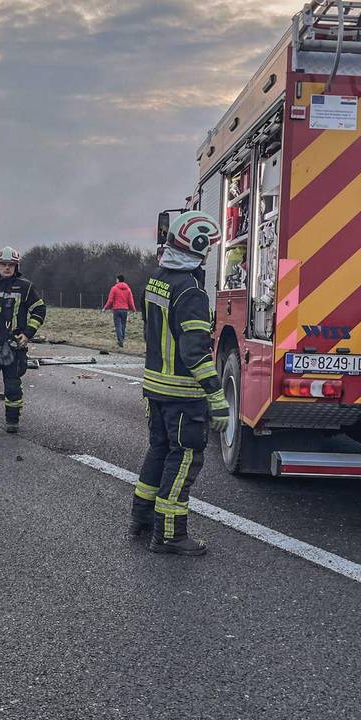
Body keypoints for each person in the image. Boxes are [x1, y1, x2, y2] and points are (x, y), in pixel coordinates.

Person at [130, 211, 229, 556]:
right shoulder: (191, 291)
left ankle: (141, 518)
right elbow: (195, 351)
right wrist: (216, 395)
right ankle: (170, 535)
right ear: (198, 247)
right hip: (183, 394)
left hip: (156, 387)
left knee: (159, 451)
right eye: (209, 248)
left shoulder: (157, 279)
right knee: (184, 458)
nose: (210, 253)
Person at [0, 246, 46, 434]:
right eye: (3, 264)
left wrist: (27, 333)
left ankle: (12, 421)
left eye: (10, 265)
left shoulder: (25, 287)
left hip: (13, 346)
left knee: (12, 386)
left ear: (16, 267)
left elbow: (39, 309)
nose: (6, 267)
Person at [103, 274, 136, 348]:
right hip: (125, 309)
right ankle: (122, 339)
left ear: (118, 280)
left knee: (118, 325)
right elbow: (131, 301)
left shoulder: (114, 288)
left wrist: (105, 308)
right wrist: (133, 309)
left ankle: (120, 340)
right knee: (123, 325)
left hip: (116, 309)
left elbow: (110, 300)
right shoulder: (128, 289)